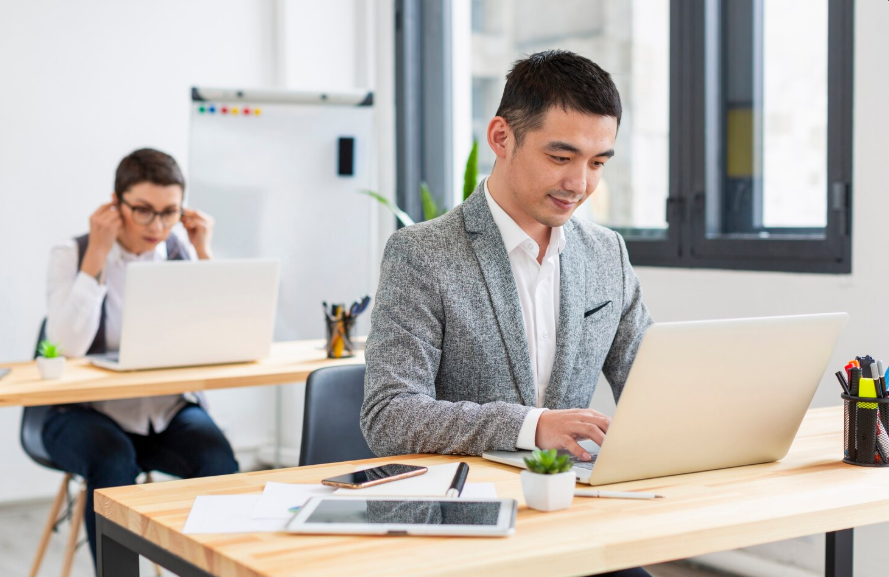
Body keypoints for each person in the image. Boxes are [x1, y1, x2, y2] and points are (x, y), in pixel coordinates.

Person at [361, 51, 653, 577]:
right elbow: (389, 415)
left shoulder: (606, 253)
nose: (580, 184)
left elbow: (651, 382)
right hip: (466, 524)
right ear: (501, 137)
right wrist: (532, 426)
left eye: (598, 163)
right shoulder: (421, 254)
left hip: (570, 517)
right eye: (561, 157)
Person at [41, 148, 239, 568]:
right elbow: (66, 344)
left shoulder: (180, 249)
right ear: (116, 205)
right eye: (144, 211)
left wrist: (205, 254)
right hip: (82, 413)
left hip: (163, 409)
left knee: (218, 462)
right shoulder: (71, 252)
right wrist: (96, 253)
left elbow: (222, 334)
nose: (159, 225)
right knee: (112, 462)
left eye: (170, 212)